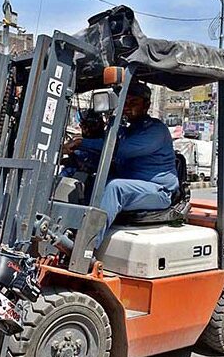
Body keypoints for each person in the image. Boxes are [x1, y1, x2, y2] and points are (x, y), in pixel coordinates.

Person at [71, 81, 178, 248]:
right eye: (125, 103)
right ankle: (71, 230)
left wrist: (81, 143)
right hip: (135, 187)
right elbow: (104, 147)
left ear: (146, 105)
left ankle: (86, 248)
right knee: (87, 181)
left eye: (133, 103)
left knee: (115, 188)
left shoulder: (155, 130)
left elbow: (120, 150)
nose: (127, 107)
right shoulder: (126, 130)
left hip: (157, 191)